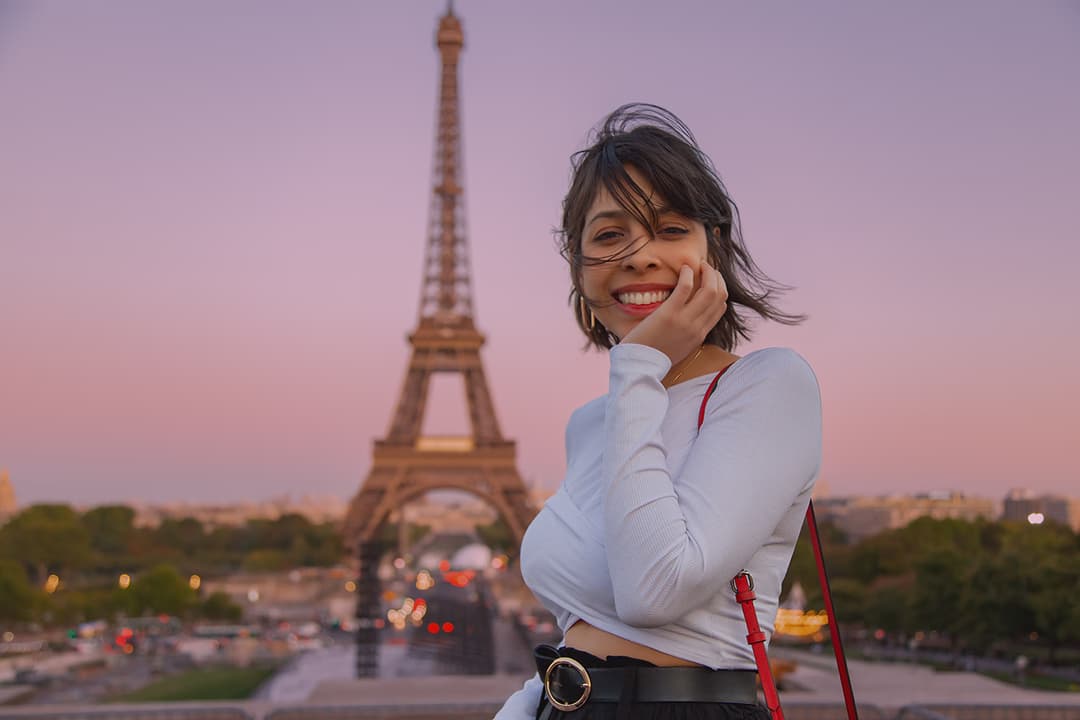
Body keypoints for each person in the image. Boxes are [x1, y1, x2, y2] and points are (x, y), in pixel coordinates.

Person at [494, 104, 822, 720]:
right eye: (610, 235)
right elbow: (579, 629)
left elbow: (656, 591)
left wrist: (637, 366)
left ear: (714, 246)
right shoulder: (596, 420)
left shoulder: (770, 385)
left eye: (671, 229)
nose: (640, 256)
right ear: (578, 262)